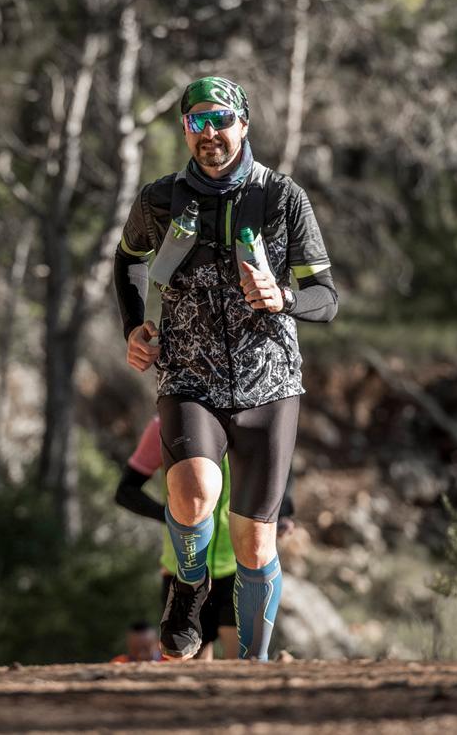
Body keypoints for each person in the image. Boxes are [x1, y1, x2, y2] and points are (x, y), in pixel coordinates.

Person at [112, 75, 338, 661]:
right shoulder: (159, 199)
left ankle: (255, 668)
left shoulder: (284, 198)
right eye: (196, 122)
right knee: (192, 493)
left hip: (271, 382)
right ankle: (189, 588)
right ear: (185, 130)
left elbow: (326, 296)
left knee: (255, 543)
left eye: (220, 119)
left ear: (243, 123)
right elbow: (129, 259)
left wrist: (282, 298)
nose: (209, 133)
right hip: (188, 374)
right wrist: (134, 326)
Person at [114, 414, 297, 660]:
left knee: (240, 665)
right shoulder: (168, 424)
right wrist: (175, 518)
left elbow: (278, 472)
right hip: (183, 567)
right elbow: (126, 491)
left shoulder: (249, 420)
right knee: (192, 669)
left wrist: (280, 515)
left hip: (236, 566)